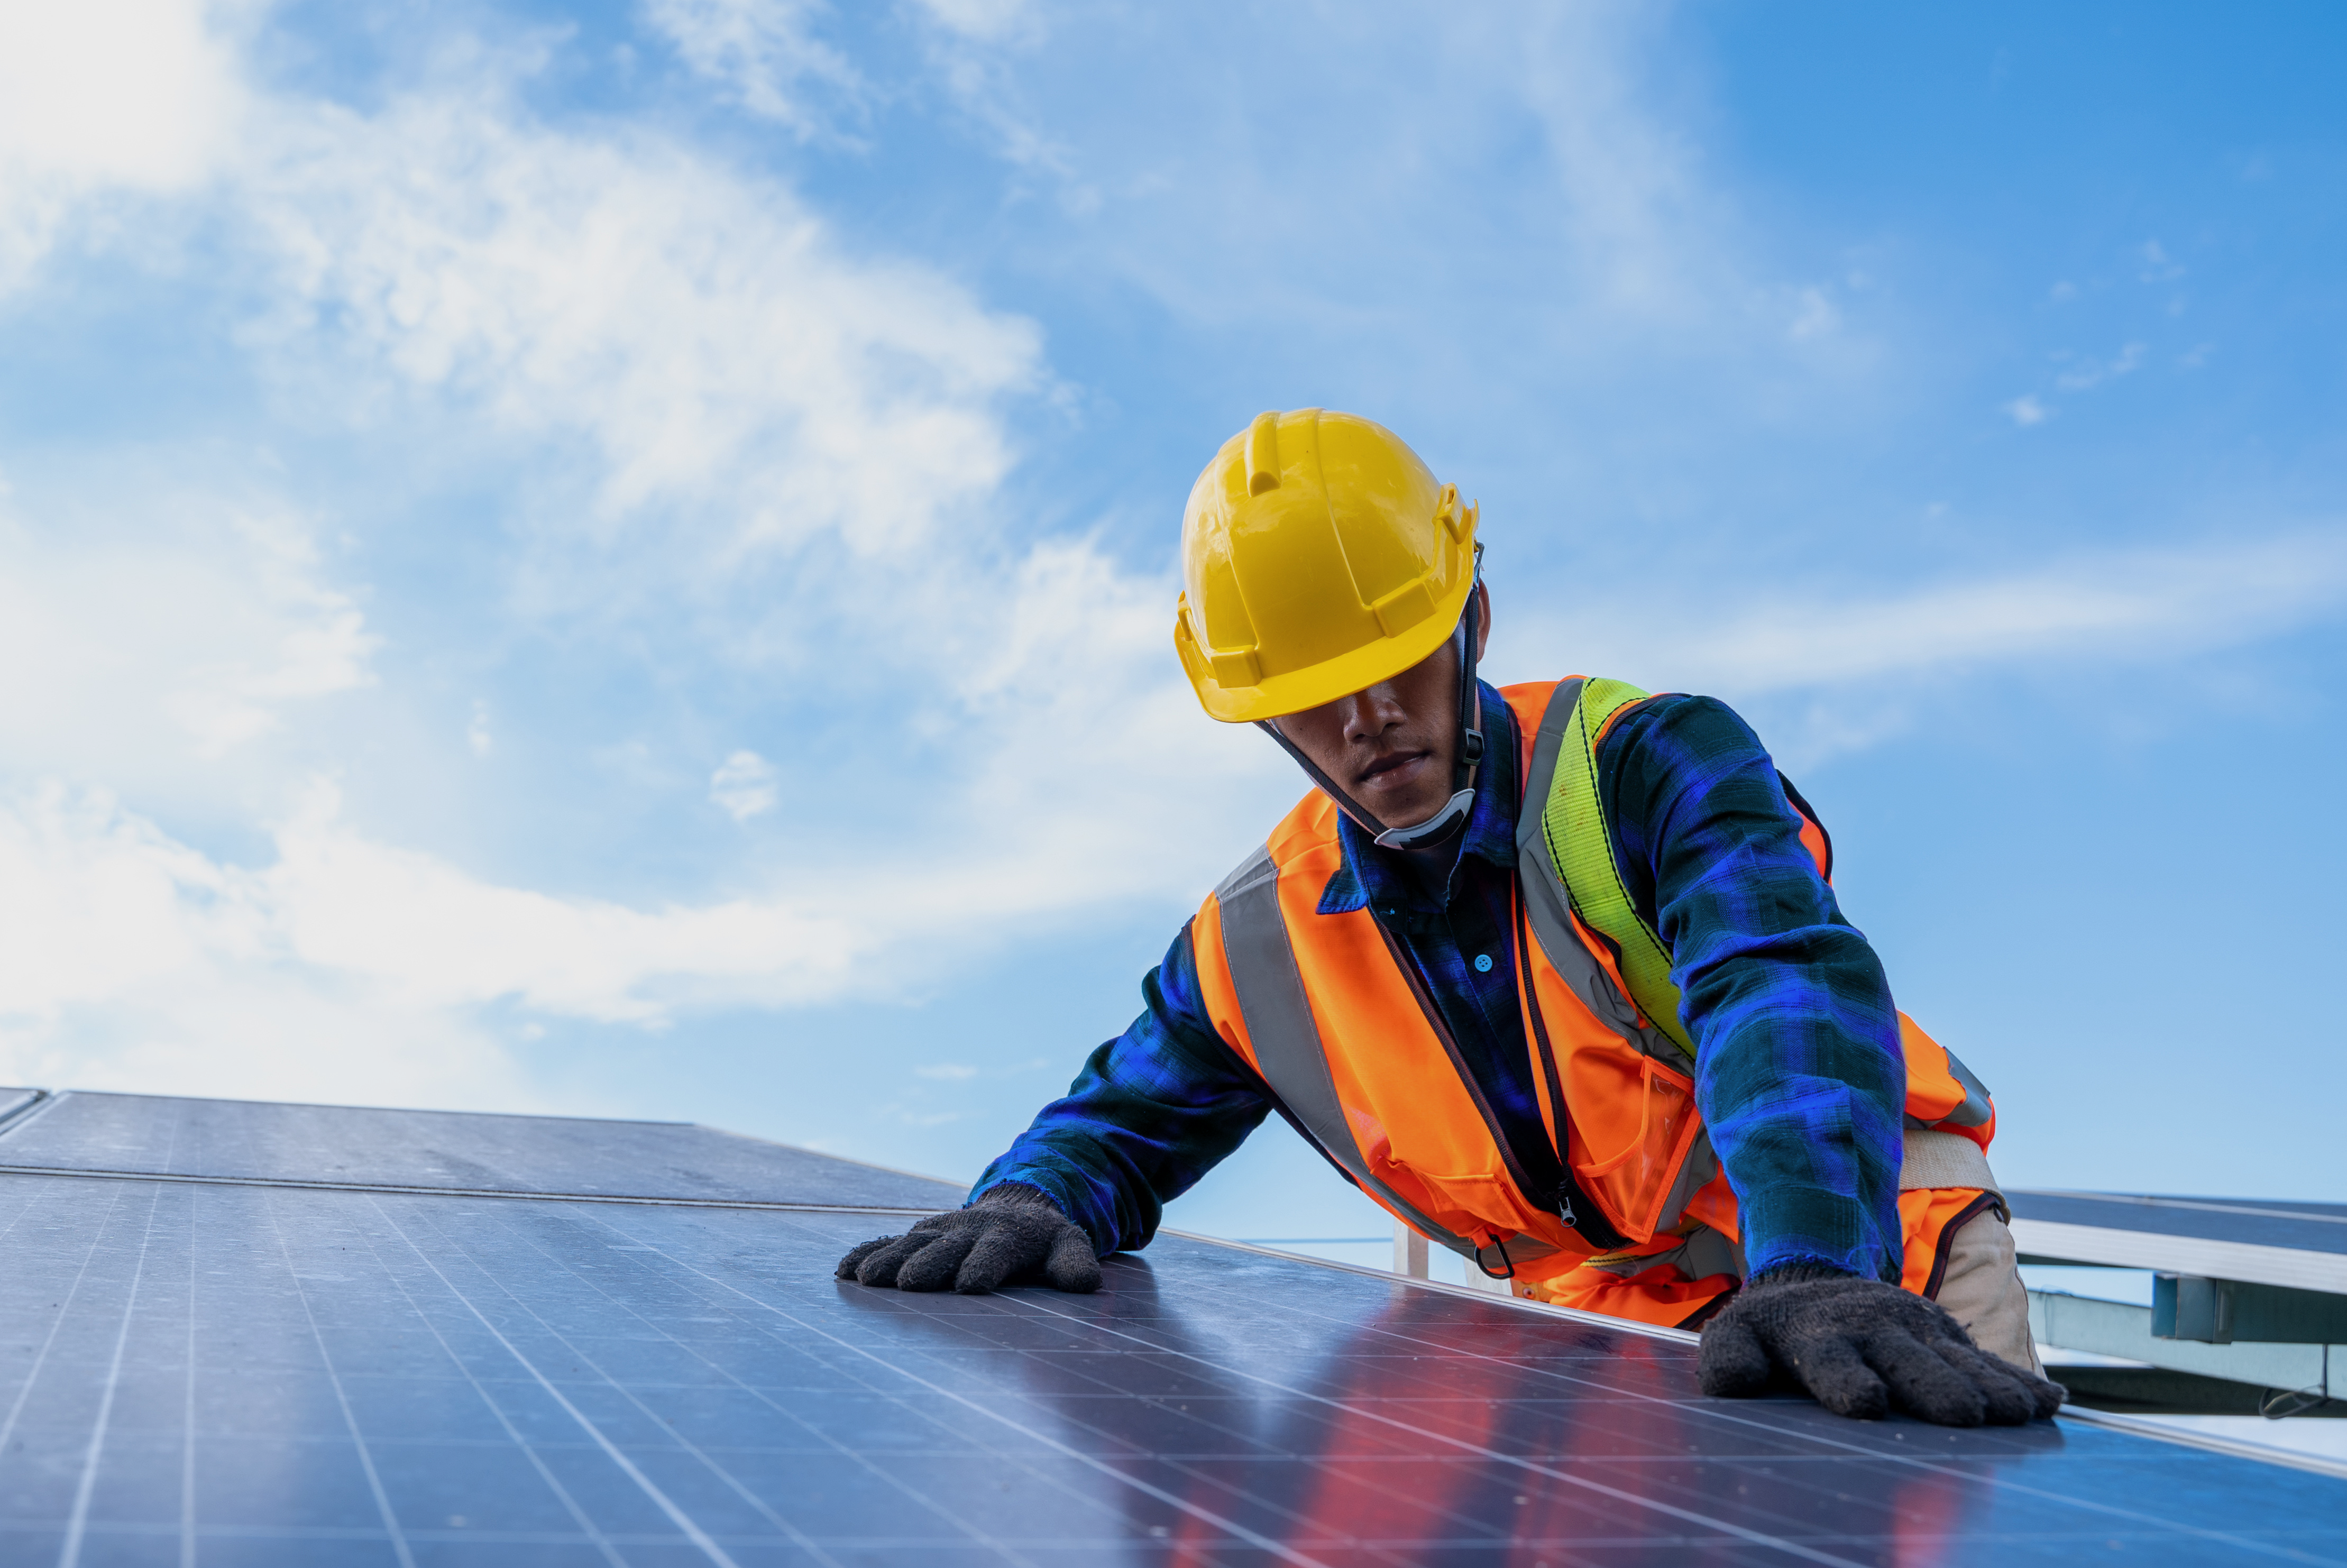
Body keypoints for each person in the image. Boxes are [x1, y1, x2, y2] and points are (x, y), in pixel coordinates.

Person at [837, 409, 2064, 1428]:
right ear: (1267, 719)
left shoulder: (1642, 764)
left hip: (1878, 1270)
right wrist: (1028, 1199)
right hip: (1615, 1344)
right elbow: (1120, 1121)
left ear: (1472, 621)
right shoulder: (1259, 943)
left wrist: (1810, 1263)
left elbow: (1777, 982)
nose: (1367, 716)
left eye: (1401, 655)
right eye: (1317, 694)